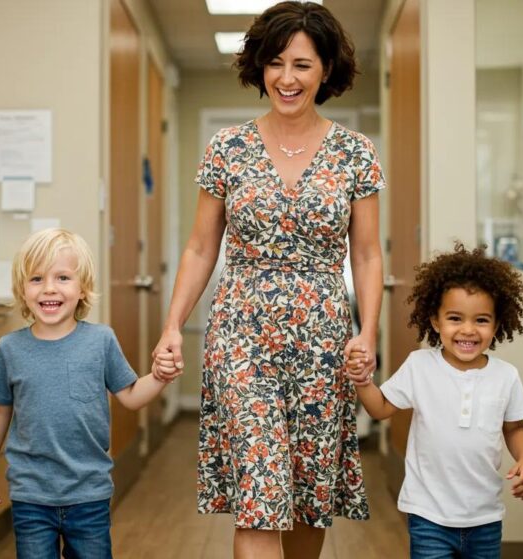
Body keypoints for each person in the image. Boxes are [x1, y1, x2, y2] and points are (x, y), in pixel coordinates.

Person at [150, 3, 385, 558]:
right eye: (275, 62)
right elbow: (200, 246)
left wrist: (368, 332)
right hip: (241, 337)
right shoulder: (227, 148)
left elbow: (367, 253)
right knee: (259, 492)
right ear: (259, 67)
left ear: (326, 69)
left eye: (302, 64)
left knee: (306, 493)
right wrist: (172, 326)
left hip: (322, 339)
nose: (286, 78)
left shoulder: (355, 152)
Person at [0, 228, 181, 558]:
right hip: (31, 494)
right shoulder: (10, 348)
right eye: (36, 279)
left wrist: (159, 377)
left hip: (89, 493)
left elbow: (130, 396)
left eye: (62, 277)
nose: (49, 288)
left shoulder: (101, 341)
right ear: (22, 289)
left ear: (82, 287)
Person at [346, 243, 523, 559]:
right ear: (435, 321)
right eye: (455, 318)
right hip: (428, 515)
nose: (468, 330)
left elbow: (515, 428)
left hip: (485, 517)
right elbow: (380, 408)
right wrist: (363, 381)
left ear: (497, 324)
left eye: (481, 320)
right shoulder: (420, 366)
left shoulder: (506, 376)